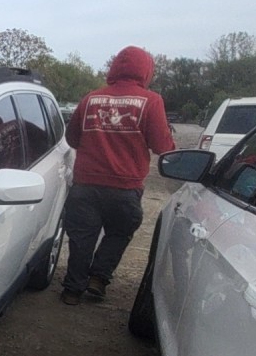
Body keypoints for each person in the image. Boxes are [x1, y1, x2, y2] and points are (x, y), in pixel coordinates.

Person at [61, 46, 175, 305]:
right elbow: (162, 146)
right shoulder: (151, 101)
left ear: (114, 68)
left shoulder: (91, 99)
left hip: (85, 184)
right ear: (146, 71)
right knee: (119, 232)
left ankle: (72, 290)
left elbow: (72, 138)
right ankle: (98, 279)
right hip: (125, 188)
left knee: (81, 237)